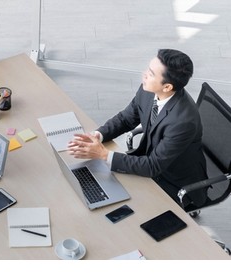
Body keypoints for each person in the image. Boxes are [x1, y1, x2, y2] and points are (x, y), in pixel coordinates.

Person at [68, 49, 208, 208]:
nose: (144, 75)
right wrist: (98, 135)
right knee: (95, 187)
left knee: (118, 207)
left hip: (172, 180)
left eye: (151, 73)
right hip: (149, 160)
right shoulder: (149, 90)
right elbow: (126, 118)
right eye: (147, 69)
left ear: (167, 87)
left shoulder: (183, 122)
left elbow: (153, 167)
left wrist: (103, 154)